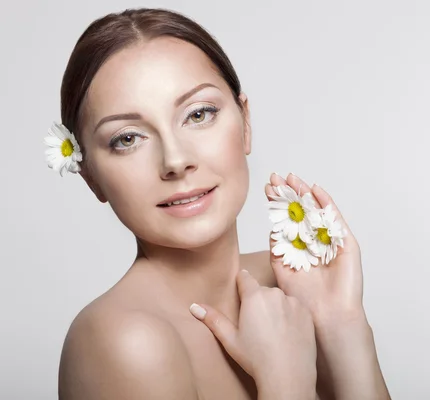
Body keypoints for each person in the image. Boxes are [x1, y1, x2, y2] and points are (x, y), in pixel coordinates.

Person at [52, 7, 390, 400]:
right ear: (91, 176)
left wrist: (343, 325)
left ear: (245, 123)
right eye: (127, 138)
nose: (176, 161)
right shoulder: (124, 342)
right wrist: (286, 382)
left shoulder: (297, 286)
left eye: (198, 114)